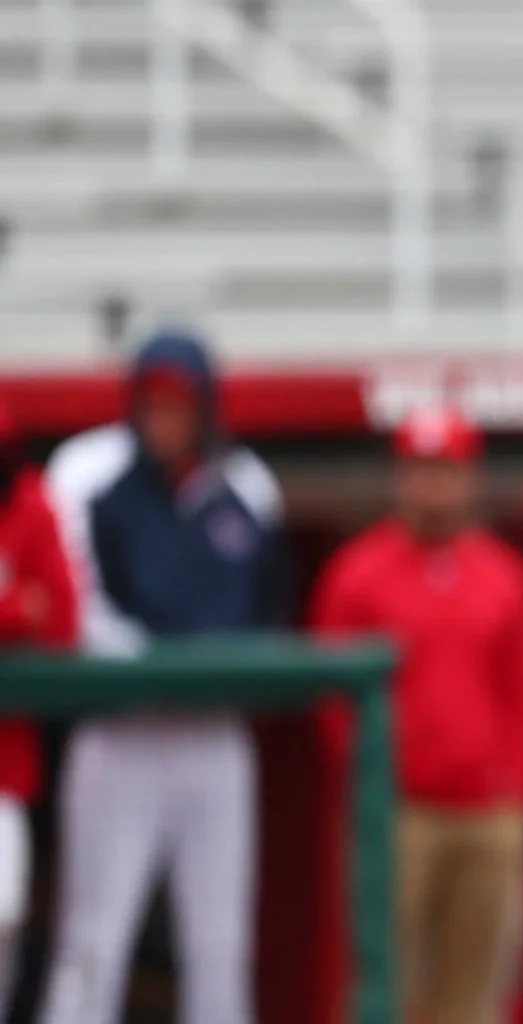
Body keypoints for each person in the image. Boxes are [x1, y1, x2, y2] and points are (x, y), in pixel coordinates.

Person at [41, 326, 289, 1024]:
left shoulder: (244, 483)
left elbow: (267, 609)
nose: (165, 416)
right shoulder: (91, 472)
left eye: (180, 402)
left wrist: (212, 657)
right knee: (95, 939)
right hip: (122, 732)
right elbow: (81, 614)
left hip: (214, 737)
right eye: (153, 401)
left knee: (219, 946)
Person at [309, 406, 523, 1024]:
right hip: (396, 814)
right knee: (380, 987)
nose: (433, 486)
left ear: (471, 478)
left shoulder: (505, 574)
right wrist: (370, 789)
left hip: (487, 816)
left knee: (475, 994)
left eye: (445, 471)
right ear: (399, 476)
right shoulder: (358, 571)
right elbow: (331, 702)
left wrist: (516, 799)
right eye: (420, 470)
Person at [0, 397, 77, 1014]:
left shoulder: (30, 504)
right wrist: (12, 612)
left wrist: (29, 612)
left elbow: (62, 622)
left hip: (6, 761)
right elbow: (28, 609)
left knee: (4, 910)